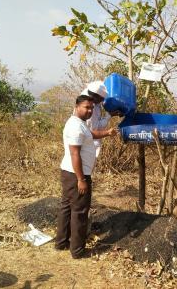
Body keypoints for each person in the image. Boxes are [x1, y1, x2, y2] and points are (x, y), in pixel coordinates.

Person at [55, 95, 117, 258]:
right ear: (76, 106)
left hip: (69, 173)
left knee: (67, 207)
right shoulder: (75, 127)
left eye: (91, 108)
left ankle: (61, 242)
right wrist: (81, 180)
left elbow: (90, 135)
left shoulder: (78, 124)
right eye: (86, 107)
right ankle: (77, 250)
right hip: (77, 175)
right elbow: (75, 154)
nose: (89, 110)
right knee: (80, 212)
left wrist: (107, 133)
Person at [80, 81, 122, 157]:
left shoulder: (90, 92)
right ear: (96, 97)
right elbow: (96, 129)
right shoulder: (90, 109)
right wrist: (109, 116)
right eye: (101, 99)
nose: (102, 100)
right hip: (89, 146)